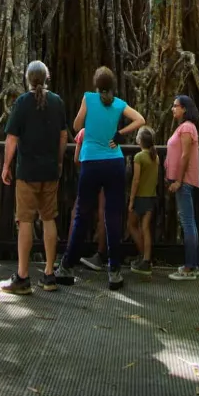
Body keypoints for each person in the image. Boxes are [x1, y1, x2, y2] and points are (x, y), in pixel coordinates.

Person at [56, 67, 145, 291]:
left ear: (96, 84)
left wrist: (90, 127)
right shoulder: (119, 104)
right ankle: (114, 272)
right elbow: (140, 120)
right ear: (112, 85)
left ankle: (66, 268)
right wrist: (119, 134)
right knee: (113, 218)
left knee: (82, 216)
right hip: (114, 164)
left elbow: (76, 126)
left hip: (91, 164)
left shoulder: (89, 98)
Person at [0, 60, 68, 295]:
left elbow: (11, 139)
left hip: (27, 173)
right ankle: (49, 275)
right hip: (50, 172)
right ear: (46, 78)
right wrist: (58, 162)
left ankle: (22, 277)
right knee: (49, 219)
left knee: (25, 221)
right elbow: (63, 136)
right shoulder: (57, 102)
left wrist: (6, 166)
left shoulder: (22, 102)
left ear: (28, 79)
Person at [166, 94, 199, 280]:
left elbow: (185, 155)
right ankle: (193, 265)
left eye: (175, 106)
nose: (173, 108)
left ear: (184, 108)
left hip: (184, 181)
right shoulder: (184, 127)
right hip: (184, 180)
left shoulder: (187, 127)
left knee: (187, 223)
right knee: (189, 222)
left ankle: (189, 268)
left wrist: (178, 181)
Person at [72, 127, 107, 271]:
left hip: (88, 173)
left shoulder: (84, 132)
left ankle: (71, 252)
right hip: (106, 173)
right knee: (103, 213)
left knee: (77, 211)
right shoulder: (108, 129)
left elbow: (76, 159)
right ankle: (100, 254)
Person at [128, 126, 159, 275]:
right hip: (151, 197)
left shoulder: (139, 157)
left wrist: (131, 200)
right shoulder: (155, 156)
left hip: (140, 197)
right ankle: (146, 260)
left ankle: (143, 256)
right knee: (145, 228)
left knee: (132, 225)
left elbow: (136, 180)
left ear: (140, 140)